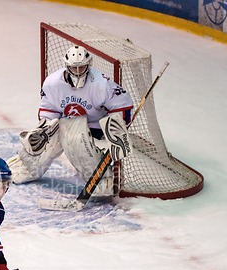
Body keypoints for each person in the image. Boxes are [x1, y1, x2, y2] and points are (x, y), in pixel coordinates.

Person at [8, 45, 134, 196]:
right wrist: (46, 130)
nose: (79, 72)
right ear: (67, 66)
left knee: (73, 139)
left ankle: (102, 179)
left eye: (82, 67)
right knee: (48, 139)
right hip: (67, 123)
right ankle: (27, 167)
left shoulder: (101, 83)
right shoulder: (53, 83)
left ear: (89, 65)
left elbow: (124, 105)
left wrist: (114, 130)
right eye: (75, 68)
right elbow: (49, 109)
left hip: (95, 127)